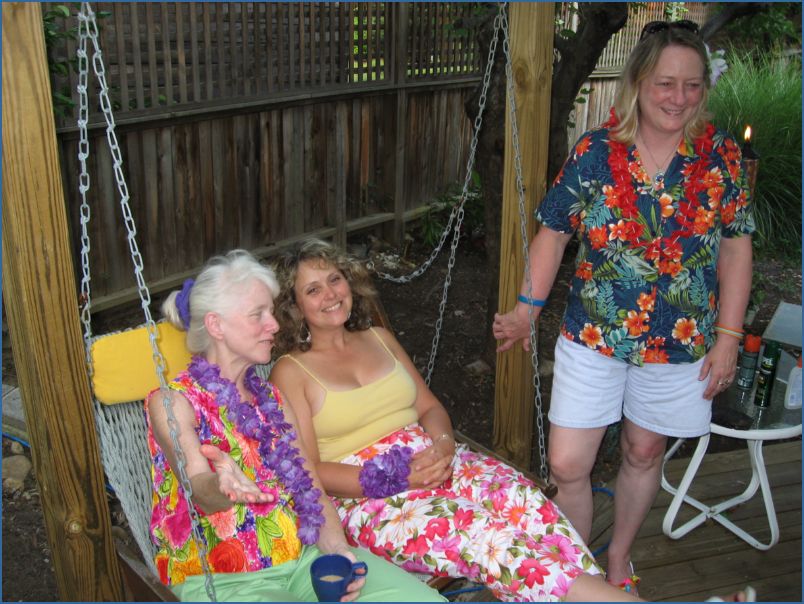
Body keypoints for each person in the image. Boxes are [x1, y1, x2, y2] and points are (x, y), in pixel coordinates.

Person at [493, 20, 755, 594]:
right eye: (665, 83)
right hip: (594, 335)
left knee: (643, 450)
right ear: (637, 82)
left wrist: (729, 336)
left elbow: (736, 245)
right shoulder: (595, 152)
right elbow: (553, 233)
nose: (679, 98)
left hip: (681, 340)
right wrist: (526, 309)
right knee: (567, 464)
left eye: (692, 85)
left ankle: (616, 563)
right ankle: (579, 577)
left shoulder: (720, 155)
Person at [269, 238, 650, 603]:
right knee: (489, 538)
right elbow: (311, 472)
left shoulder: (379, 338)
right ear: (294, 306)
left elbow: (430, 408)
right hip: (372, 496)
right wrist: (400, 477)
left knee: (526, 502)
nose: (331, 294)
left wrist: (444, 445)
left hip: (439, 461)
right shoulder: (291, 372)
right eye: (313, 290)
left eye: (334, 279)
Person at [145, 250, 444, 602]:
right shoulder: (173, 402)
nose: (273, 325)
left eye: (270, 312)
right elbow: (199, 490)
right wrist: (221, 485)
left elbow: (311, 488)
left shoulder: (272, 399)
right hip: (224, 581)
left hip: (304, 562)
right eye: (258, 315)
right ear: (216, 325)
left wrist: (339, 552)